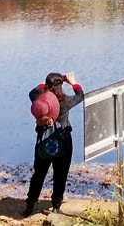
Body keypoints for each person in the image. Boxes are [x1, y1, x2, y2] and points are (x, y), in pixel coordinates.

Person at [23, 71, 85, 217]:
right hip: (63, 144)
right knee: (60, 175)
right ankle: (56, 206)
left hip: (43, 143)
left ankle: (30, 205)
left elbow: (32, 91)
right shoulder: (65, 101)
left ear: (46, 85)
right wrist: (73, 82)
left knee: (39, 174)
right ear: (61, 86)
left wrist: (47, 84)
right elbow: (81, 95)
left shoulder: (38, 100)